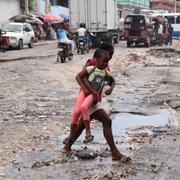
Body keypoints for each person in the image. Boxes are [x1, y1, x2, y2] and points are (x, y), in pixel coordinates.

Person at [63, 43, 131, 162]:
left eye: (110, 57)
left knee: (82, 124)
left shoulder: (105, 66)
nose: (109, 59)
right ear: (101, 54)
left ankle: (68, 145)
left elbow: (108, 80)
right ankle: (115, 152)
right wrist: (92, 92)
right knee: (106, 121)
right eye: (109, 55)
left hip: (94, 98)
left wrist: (110, 87)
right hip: (89, 97)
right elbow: (82, 77)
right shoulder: (92, 62)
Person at [73, 49, 115, 143]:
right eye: (104, 61)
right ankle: (83, 134)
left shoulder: (105, 71)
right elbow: (80, 76)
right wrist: (87, 89)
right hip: (88, 94)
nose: (106, 63)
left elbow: (112, 80)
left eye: (108, 61)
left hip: (94, 97)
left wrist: (110, 88)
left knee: (85, 118)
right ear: (96, 58)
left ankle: (74, 140)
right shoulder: (91, 65)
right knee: (79, 113)